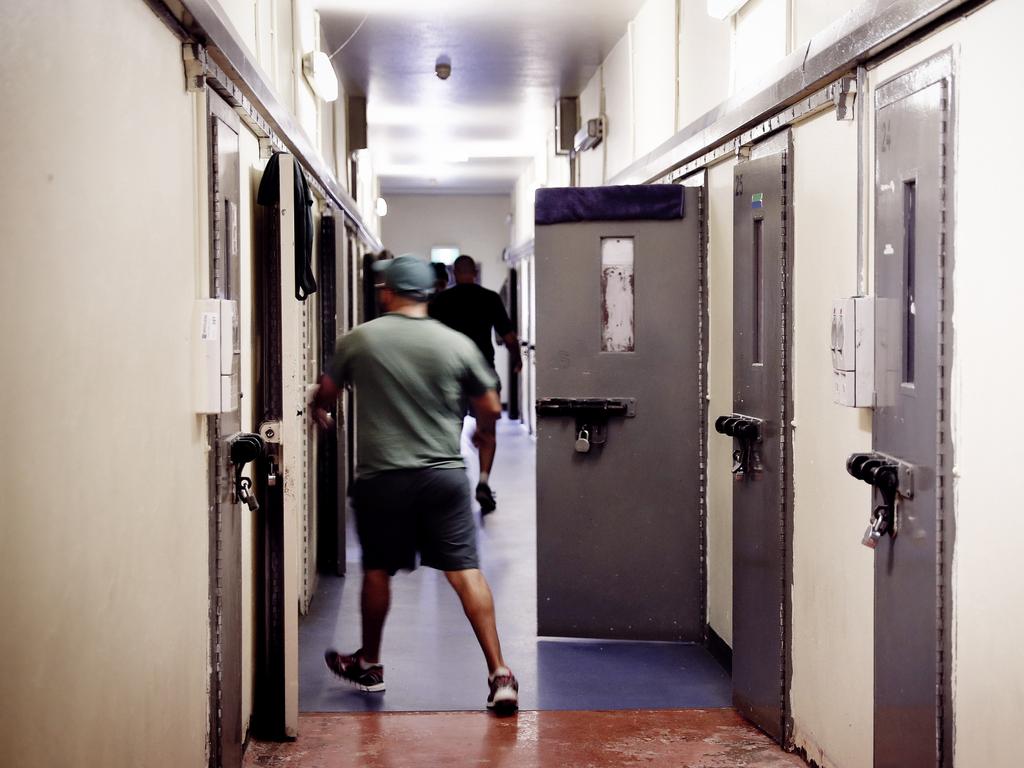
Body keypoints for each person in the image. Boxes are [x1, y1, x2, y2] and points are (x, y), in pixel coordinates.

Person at [309, 253, 519, 714]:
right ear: (430, 292)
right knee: (465, 570)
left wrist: (318, 409)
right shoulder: (456, 344)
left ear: (388, 291)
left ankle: (370, 662)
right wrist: (482, 432)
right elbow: (489, 404)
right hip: (443, 474)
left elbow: (326, 393)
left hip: (382, 477)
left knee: (378, 570)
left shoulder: (359, 340)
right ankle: (500, 673)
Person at [428, 254, 522, 515]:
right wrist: (517, 361)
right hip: (483, 372)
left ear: (454, 273)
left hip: (450, 375)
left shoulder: (440, 300)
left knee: (450, 433)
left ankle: (449, 488)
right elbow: (510, 337)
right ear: (475, 273)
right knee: (487, 432)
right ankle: (482, 482)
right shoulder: (490, 298)